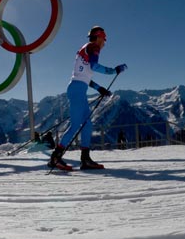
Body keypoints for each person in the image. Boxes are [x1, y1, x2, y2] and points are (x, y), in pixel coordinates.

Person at [48, 26, 127, 171]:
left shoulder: (86, 48)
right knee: (76, 124)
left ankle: (85, 159)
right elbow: (94, 66)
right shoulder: (93, 47)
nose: (104, 43)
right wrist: (113, 71)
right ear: (98, 37)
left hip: (77, 88)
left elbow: (84, 77)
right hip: (77, 90)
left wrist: (99, 88)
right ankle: (55, 157)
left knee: (87, 124)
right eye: (104, 40)